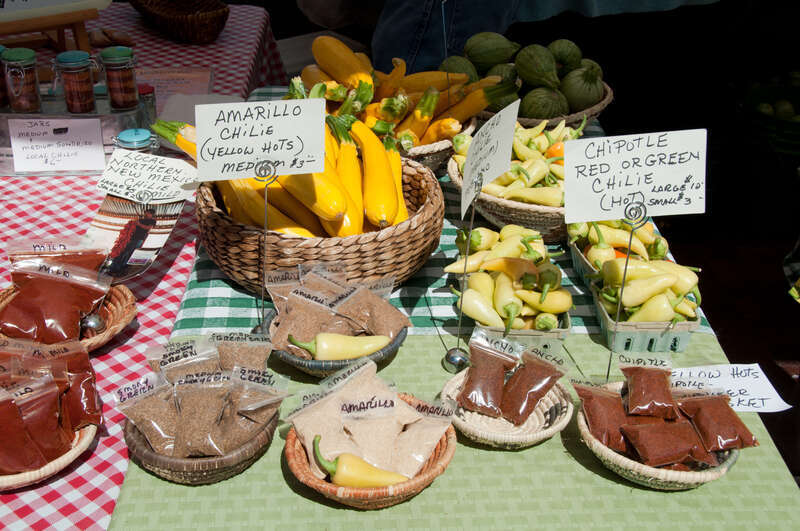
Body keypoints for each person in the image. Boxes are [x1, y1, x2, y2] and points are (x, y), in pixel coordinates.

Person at [106, 208, 157, 275]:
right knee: (122, 252)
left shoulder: (152, 221)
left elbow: (148, 228)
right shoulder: (140, 220)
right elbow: (132, 227)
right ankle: (113, 268)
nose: (146, 214)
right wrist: (133, 223)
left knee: (129, 254)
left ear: (151, 214)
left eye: (148, 213)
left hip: (138, 240)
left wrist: (139, 224)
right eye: (145, 212)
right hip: (130, 239)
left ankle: (121, 270)